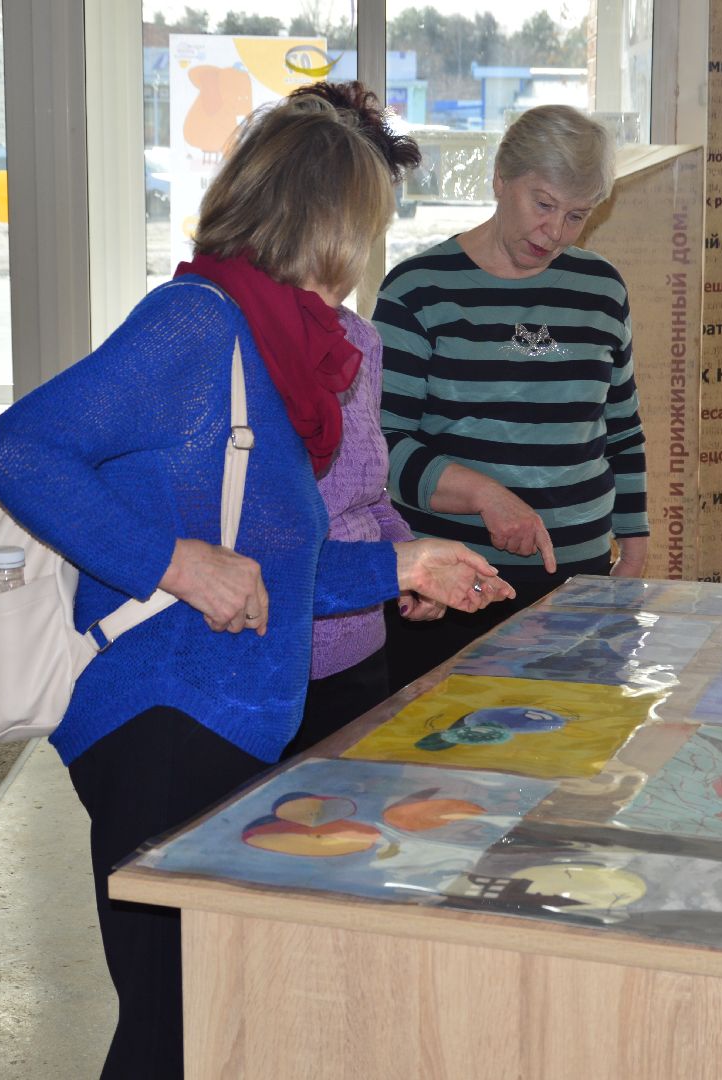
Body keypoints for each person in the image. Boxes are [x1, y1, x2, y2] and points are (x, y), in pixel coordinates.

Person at [0, 94, 513, 1080]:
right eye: (367, 226)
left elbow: (265, 577)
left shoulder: (279, 351)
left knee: (216, 1015)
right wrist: (173, 563)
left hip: (225, 727)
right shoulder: (193, 327)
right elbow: (16, 450)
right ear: (326, 219)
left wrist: (399, 564)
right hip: (157, 728)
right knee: (172, 1028)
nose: (367, 252)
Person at [374, 104, 649, 692]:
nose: (554, 233)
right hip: (450, 586)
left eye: (577, 216)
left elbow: (622, 430)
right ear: (501, 179)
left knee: (571, 758)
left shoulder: (600, 289)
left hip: (580, 582)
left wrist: (635, 547)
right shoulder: (417, 290)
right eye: (543, 204)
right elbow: (382, 449)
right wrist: (485, 496)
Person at [278, 82, 437, 758]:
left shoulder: (360, 341)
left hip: (360, 651)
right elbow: (271, 548)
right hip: (273, 662)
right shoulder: (224, 333)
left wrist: (415, 563)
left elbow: (367, 495)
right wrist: (399, 566)